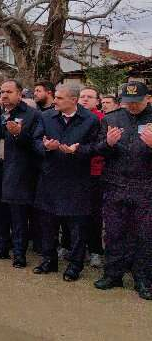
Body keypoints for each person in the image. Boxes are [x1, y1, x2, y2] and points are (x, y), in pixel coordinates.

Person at [33, 85, 100, 282]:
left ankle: (75, 266)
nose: (55, 101)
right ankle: (49, 260)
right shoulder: (46, 117)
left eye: (60, 98)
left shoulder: (90, 120)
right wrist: (45, 146)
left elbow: (97, 147)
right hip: (50, 178)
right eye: (55, 97)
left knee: (77, 228)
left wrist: (77, 150)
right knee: (48, 224)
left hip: (77, 180)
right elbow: (35, 141)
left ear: (74, 100)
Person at [93, 82, 152, 300]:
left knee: (144, 235)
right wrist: (107, 144)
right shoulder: (112, 118)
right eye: (128, 102)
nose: (132, 106)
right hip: (115, 185)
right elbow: (97, 149)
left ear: (148, 99)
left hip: (146, 187)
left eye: (136, 102)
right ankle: (112, 274)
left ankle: (143, 279)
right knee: (113, 232)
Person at [0, 79, 43, 268]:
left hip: (18, 171)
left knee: (18, 215)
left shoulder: (32, 115)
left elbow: (36, 145)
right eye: (2, 92)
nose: (4, 95)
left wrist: (18, 134)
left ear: (19, 94)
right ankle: (1, 247)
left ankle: (19, 253)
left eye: (9, 92)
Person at [78, 87, 105, 268]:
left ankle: (95, 250)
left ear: (97, 101)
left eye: (89, 97)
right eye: (82, 96)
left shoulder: (102, 119)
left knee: (94, 214)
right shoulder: (72, 117)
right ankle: (72, 246)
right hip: (73, 172)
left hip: (95, 172)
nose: (85, 99)